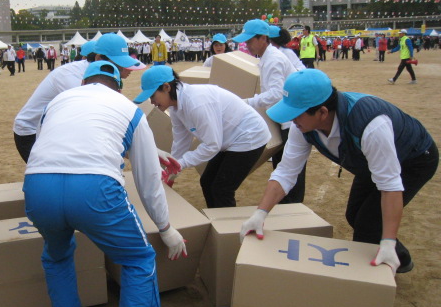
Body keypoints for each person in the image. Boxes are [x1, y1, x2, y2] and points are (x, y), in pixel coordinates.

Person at [23, 60, 186, 307]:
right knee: (139, 259)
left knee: (56, 255)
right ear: (119, 86)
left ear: (84, 83)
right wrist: (166, 229)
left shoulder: (59, 101)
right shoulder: (129, 109)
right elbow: (148, 181)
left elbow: (57, 144)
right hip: (94, 189)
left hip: (38, 184)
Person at [240, 69, 438, 275]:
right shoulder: (303, 127)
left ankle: (381, 272)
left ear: (323, 112)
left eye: (295, 113)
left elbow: (390, 186)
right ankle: (400, 256)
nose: (291, 120)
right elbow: (286, 171)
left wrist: (387, 241)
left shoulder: (370, 126)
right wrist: (260, 214)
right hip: (369, 162)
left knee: (368, 225)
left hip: (414, 159)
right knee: (354, 215)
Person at [134, 65, 271, 208]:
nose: (152, 102)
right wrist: (171, 170)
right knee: (207, 181)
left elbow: (212, 145)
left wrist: (181, 164)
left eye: (152, 96)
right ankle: (216, 219)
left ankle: (226, 227)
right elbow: (181, 141)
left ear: (167, 87)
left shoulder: (196, 103)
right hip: (228, 138)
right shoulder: (175, 107)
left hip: (249, 136)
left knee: (221, 188)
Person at [13, 33, 143, 163]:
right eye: (119, 63)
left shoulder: (100, 76)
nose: (124, 68)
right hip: (30, 132)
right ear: (98, 58)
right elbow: (94, 118)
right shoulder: (73, 77)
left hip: (54, 130)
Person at [233, 20, 304, 203]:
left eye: (250, 41)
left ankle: (292, 206)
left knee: (290, 167)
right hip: (285, 118)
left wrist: (248, 102)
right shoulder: (266, 57)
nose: (247, 45)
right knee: (282, 166)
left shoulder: (273, 59)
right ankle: (286, 202)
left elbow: (276, 93)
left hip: (293, 121)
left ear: (263, 38)